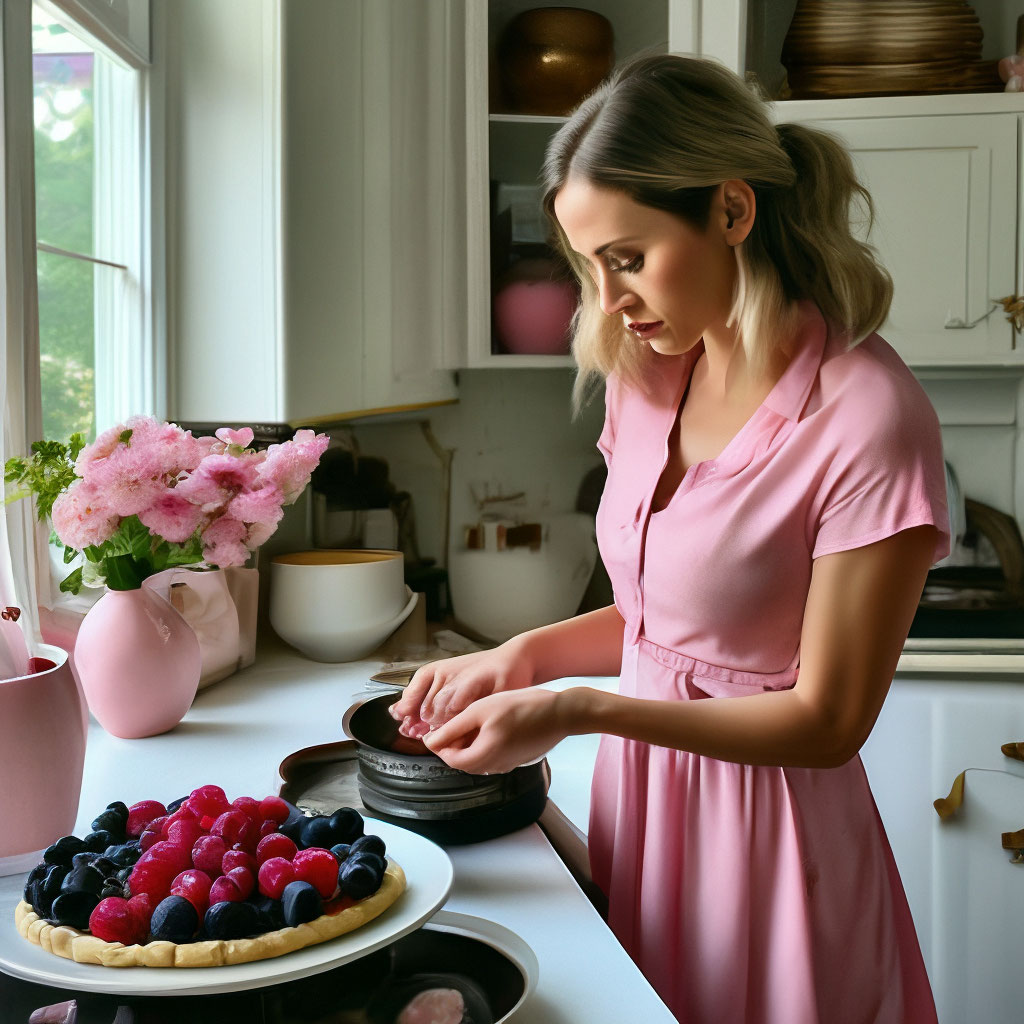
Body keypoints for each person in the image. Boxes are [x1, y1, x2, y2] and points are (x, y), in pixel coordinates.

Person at [390, 53, 949, 1024]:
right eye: (587, 263)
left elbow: (826, 722)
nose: (606, 301)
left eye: (627, 256)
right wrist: (520, 656)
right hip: (648, 811)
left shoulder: (866, 413)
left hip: (773, 846)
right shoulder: (648, 374)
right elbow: (667, 625)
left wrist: (579, 710)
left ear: (732, 213)